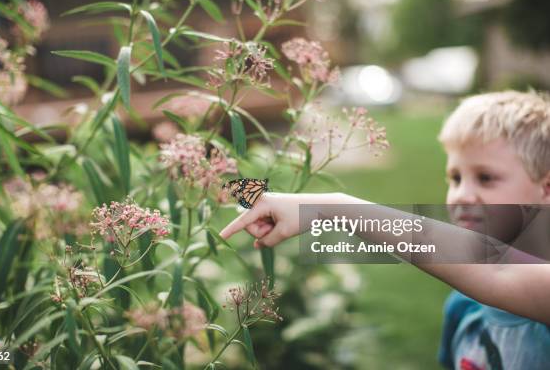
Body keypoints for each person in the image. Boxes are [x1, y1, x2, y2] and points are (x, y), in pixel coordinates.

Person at [220, 90, 550, 369]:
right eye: (455, 177)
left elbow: (498, 270)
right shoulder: (463, 307)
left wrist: (334, 207)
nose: (463, 194)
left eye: (486, 177)